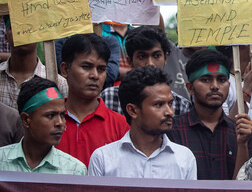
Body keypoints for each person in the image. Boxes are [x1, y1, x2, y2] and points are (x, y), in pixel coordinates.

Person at [88, 66, 196, 179]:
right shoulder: (103, 159)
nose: (169, 112)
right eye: (158, 105)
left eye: (170, 103)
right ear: (133, 110)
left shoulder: (184, 158)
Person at [168, 49, 252, 179]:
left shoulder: (243, 131)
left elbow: (249, 187)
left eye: (221, 80)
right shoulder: (172, 130)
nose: (215, 86)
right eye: (206, 80)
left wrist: (242, 145)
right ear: (190, 88)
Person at [56, 34, 129, 166]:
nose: (95, 75)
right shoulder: (50, 121)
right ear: (65, 69)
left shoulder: (121, 125)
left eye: (101, 69)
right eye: (86, 67)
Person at [0, 77, 86, 174]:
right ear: (26, 120)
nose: (60, 123)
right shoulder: (2, 161)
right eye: (50, 115)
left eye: (62, 115)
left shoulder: (74, 170)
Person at [101, 26, 191, 117]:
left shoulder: (181, 105)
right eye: (142, 57)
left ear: (165, 58)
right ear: (130, 62)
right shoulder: (110, 98)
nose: (150, 63)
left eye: (156, 56)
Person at [0, 16, 68, 109]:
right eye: (14, 28)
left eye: (29, 28)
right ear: (6, 37)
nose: (21, 33)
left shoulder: (59, 83)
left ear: (39, 35)